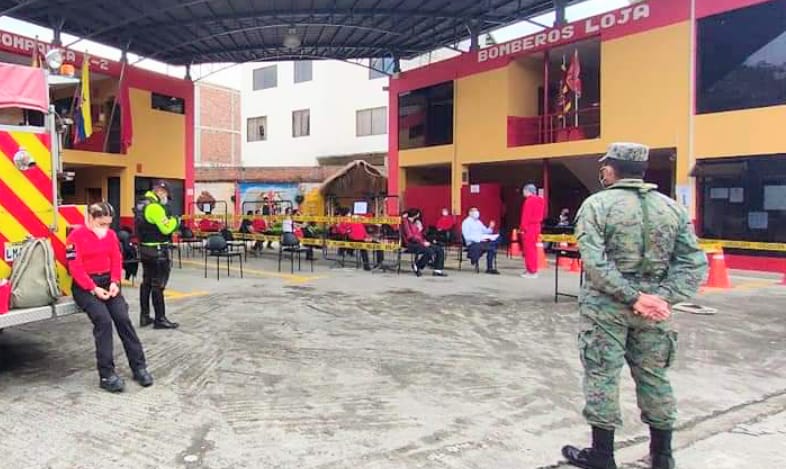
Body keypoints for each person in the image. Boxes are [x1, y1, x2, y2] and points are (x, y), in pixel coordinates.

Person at [561, 143, 708, 469]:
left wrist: (632, 297)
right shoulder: (671, 209)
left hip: (606, 310)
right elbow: (694, 263)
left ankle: (602, 454)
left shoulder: (597, 205)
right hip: (655, 311)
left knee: (602, 376)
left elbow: (595, 264)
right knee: (655, 377)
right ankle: (662, 455)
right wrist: (661, 297)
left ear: (610, 170)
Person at [67, 202, 153, 393]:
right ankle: (107, 374)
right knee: (103, 321)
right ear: (90, 218)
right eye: (101, 224)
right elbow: (75, 268)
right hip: (85, 285)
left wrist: (115, 281)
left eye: (108, 224)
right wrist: (93, 288)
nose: (104, 228)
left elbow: (116, 259)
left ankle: (139, 367)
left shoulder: (111, 235)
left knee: (122, 319)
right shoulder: (75, 237)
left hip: (108, 281)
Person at [136, 180, 180, 329]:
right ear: (160, 191)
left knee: (146, 283)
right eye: (166, 194)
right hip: (157, 251)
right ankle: (160, 319)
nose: (166, 198)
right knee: (158, 285)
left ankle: (144, 316)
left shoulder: (141, 204)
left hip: (144, 249)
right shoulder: (155, 207)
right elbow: (166, 229)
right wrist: (176, 221)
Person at [403, 209, 447, 277]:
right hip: (413, 244)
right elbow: (410, 236)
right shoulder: (406, 223)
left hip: (421, 241)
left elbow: (421, 235)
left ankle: (438, 270)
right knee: (429, 251)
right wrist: (423, 242)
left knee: (439, 249)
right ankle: (418, 266)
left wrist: (421, 229)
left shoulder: (415, 223)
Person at [461, 207, 500, 275]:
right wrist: (479, 239)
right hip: (473, 242)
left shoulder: (478, 222)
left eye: (477, 211)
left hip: (482, 240)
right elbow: (467, 237)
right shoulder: (466, 222)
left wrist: (490, 227)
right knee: (488, 247)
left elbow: (486, 231)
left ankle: (489, 268)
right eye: (474, 211)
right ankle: (476, 259)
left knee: (493, 245)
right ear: (470, 213)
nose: (477, 213)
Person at [519, 183, 545, 279]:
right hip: (536, 226)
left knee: (529, 249)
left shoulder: (529, 201)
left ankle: (532, 270)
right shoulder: (540, 201)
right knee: (532, 249)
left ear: (527, 191)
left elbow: (526, 216)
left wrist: (523, 228)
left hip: (529, 227)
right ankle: (531, 269)